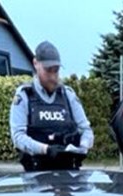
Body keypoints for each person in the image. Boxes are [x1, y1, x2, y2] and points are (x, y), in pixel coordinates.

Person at [10, 41, 94, 171]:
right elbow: (18, 138)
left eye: (56, 70)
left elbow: (86, 130)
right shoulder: (25, 95)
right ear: (36, 64)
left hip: (69, 175)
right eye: (48, 70)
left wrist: (83, 147)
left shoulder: (68, 95)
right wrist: (46, 150)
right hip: (36, 176)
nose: (53, 76)